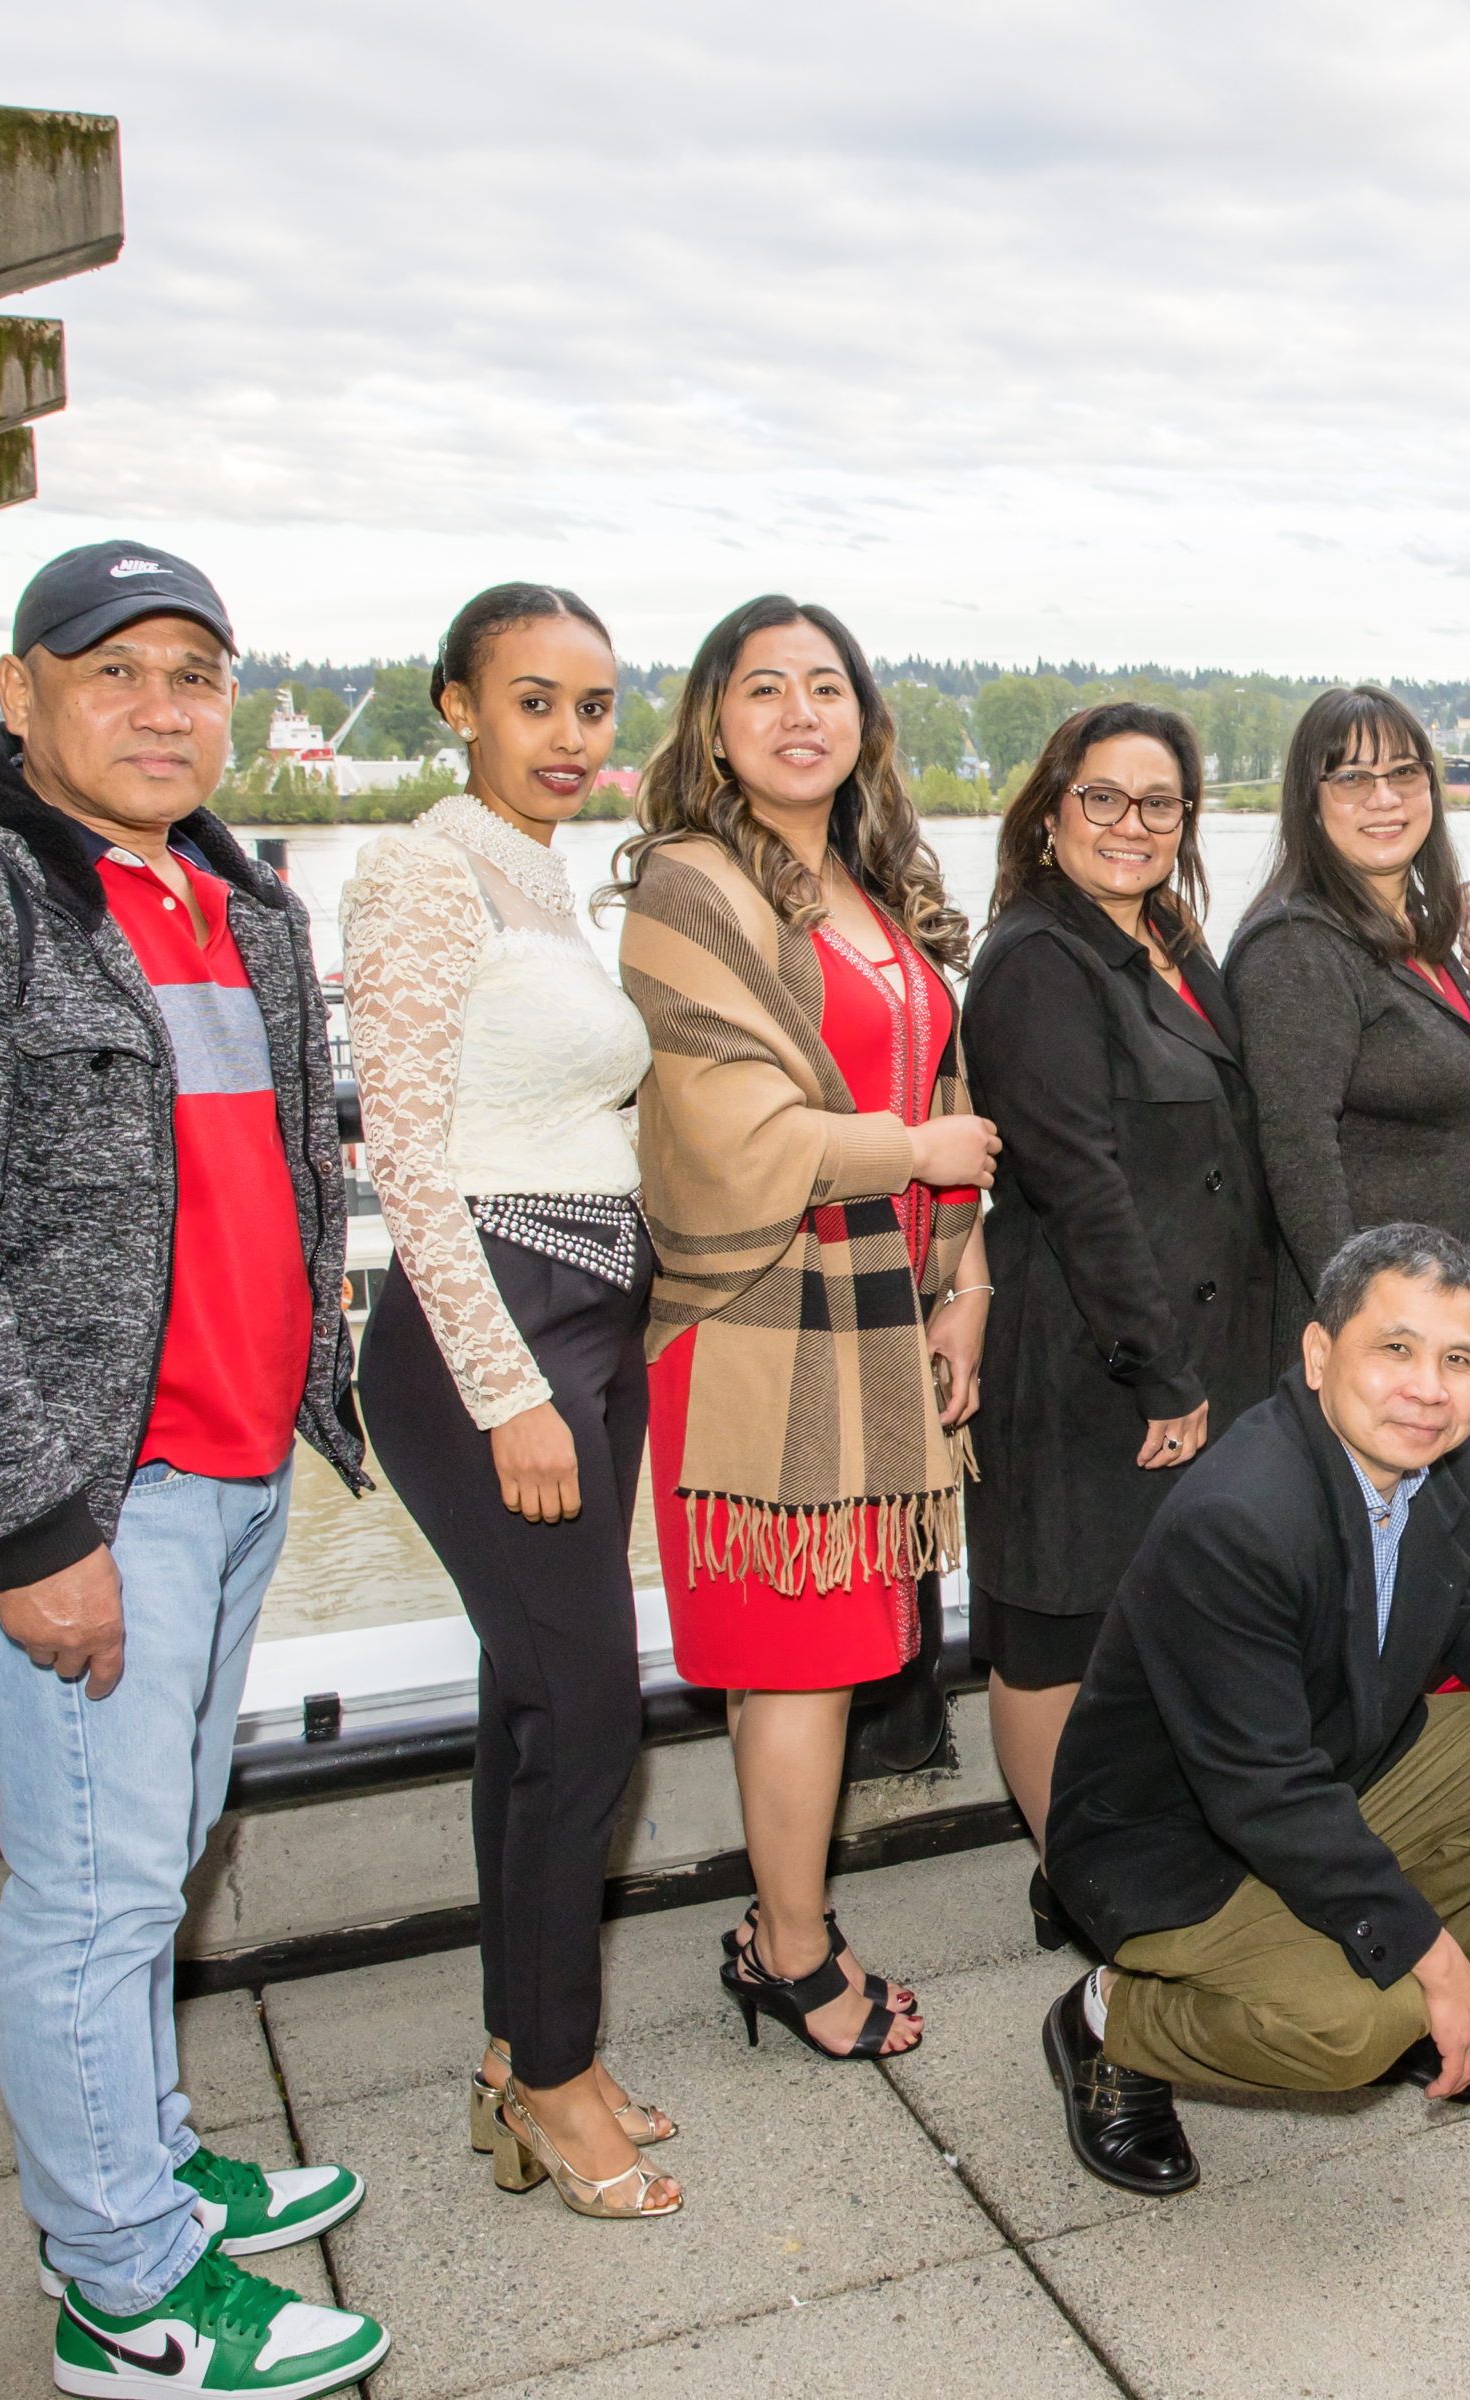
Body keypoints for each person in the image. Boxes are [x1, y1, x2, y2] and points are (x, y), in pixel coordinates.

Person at [0, 541, 389, 2394]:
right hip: (87, 1499)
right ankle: (123, 2290)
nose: (164, 708)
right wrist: (25, 1528)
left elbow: (274, 1188)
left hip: (226, 1472)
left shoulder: (231, 898)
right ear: (18, 690)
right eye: (116, 670)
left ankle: (143, 2160)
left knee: (154, 1857)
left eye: (197, 675)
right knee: (93, 1892)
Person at [1038, 1224, 1470, 2194]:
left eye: (1458, 1359)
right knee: (1344, 2032)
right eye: (1394, 1349)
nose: (1427, 1387)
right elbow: (1265, 1794)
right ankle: (1110, 2025)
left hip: (1331, 1774)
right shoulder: (1240, 1518)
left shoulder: (1457, 1467)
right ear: (1319, 1356)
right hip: (1174, 1852)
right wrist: (1434, 1962)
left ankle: (1402, 2009)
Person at [614, 596, 994, 2062]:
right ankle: (791, 1950)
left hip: (878, 1312)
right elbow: (721, 1124)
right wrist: (914, 1157)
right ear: (716, 722)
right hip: (759, 1324)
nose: (797, 714)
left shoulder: (871, 891)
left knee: (836, 1650)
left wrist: (961, 1289)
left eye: (824, 687)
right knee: (795, 1654)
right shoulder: (694, 884)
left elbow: (936, 1084)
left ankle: (783, 1925)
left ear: (863, 722)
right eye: (761, 688)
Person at [344, 585, 680, 2217]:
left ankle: (526, 2044)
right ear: (458, 705)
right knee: (592, 1711)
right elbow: (406, 1158)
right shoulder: (417, 868)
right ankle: (551, 2082)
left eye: (595, 705)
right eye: (533, 701)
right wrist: (507, 1396)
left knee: (528, 1703)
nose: (569, 735)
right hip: (495, 1334)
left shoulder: (538, 877)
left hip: (582, 1320)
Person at [966, 701, 1277, 1928]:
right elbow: (1078, 1179)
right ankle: (1074, 1879)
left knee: (1147, 1625)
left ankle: (1128, 1854)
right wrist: (1160, 1370)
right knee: (1057, 1628)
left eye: (1159, 803)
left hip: (1189, 1344)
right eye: (1103, 797)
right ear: (1053, 812)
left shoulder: (1168, 938)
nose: (1131, 825)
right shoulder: (1038, 960)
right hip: (1088, 1353)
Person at [1226, 686, 1470, 1345]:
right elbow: (1296, 1150)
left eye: (1404, 773)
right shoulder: (1297, 945)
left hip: (1443, 1307)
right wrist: (1364, 1327)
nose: (1385, 798)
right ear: (1310, 802)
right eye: (1351, 777)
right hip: (1375, 1336)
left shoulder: (1419, 928)